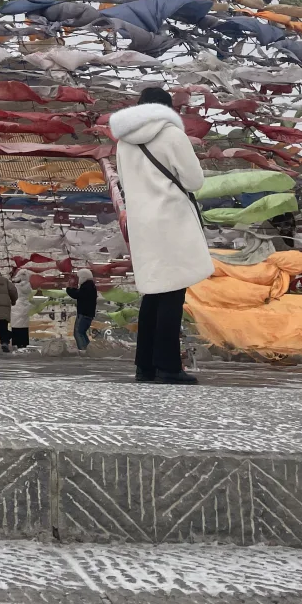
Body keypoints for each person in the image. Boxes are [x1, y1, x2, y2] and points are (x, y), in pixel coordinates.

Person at [109, 86, 212, 384]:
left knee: (153, 293)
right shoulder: (172, 135)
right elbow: (194, 181)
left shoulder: (123, 142)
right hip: (171, 220)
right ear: (168, 109)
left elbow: (124, 182)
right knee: (173, 292)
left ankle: (145, 366)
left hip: (142, 221)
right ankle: (168, 365)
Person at [65, 266, 98, 352]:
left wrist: (69, 288)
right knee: (82, 332)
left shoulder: (87, 286)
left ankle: (83, 350)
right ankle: (88, 349)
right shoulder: (91, 286)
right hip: (88, 314)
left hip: (84, 313)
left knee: (78, 333)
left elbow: (77, 295)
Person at [9, 271, 33, 349]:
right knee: (24, 327)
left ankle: (16, 343)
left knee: (15, 326)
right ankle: (23, 343)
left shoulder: (15, 286)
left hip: (15, 306)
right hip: (24, 307)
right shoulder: (28, 286)